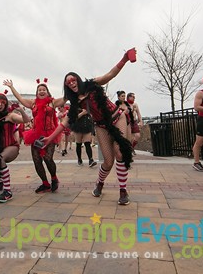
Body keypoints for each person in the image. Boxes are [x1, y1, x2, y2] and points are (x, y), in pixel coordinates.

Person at [43, 48, 137, 205]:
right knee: (107, 162)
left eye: (73, 79)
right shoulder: (74, 102)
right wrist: (50, 138)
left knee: (120, 153)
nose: (71, 83)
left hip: (117, 117)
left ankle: (123, 191)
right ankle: (99, 183)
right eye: (68, 82)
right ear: (66, 86)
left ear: (78, 79)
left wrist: (125, 58)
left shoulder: (91, 84)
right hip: (101, 125)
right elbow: (65, 121)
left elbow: (109, 75)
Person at [4, 78, 63, 193]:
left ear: (47, 92)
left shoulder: (53, 102)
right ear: (36, 93)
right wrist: (11, 87)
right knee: (37, 160)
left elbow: (66, 98)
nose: (41, 91)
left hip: (50, 134)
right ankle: (45, 184)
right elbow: (20, 98)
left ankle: (54, 178)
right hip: (36, 135)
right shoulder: (32, 103)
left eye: (44, 89)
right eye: (39, 90)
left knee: (48, 158)